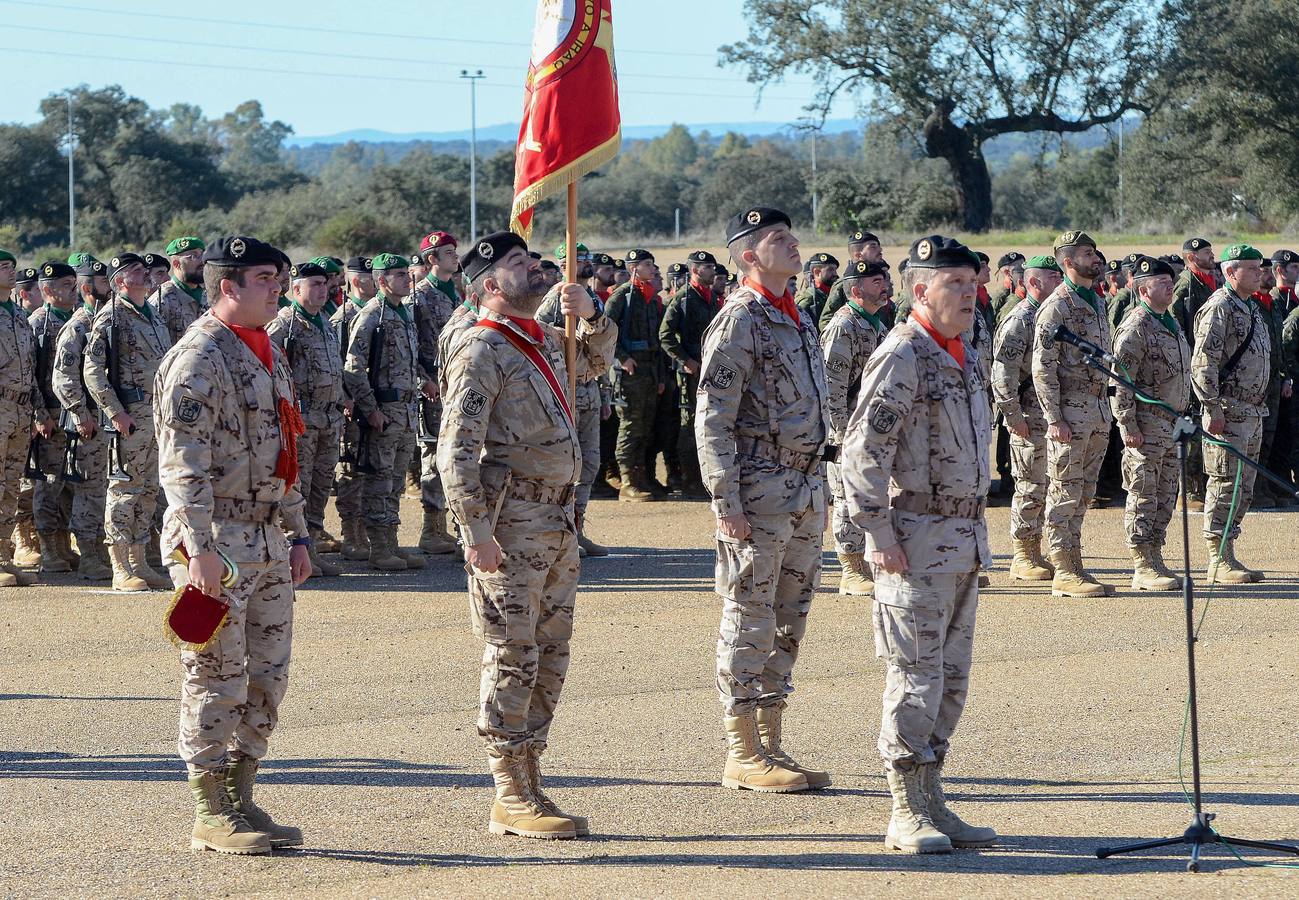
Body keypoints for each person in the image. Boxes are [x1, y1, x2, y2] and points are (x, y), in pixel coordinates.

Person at [438, 231, 615, 840]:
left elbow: (593, 362)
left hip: (555, 520)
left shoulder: (537, 339)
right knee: (512, 653)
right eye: (517, 263)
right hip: (510, 525)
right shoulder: (482, 348)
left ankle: (531, 774)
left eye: (529, 257)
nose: (533, 266)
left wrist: (588, 315)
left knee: (551, 651)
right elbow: (455, 451)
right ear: (489, 285)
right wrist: (475, 529)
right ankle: (508, 789)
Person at [155, 234, 312, 855]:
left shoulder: (264, 351)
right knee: (214, 675)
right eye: (267, 279)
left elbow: (287, 450)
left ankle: (243, 795)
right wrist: (197, 551)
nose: (278, 288)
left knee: (267, 677)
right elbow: (181, 466)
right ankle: (208, 807)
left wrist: (297, 532)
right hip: (216, 539)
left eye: (278, 278)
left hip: (267, 533)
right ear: (229, 286)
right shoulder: (199, 358)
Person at [842, 234, 995, 855]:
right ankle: (904, 807)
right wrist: (876, 534)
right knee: (914, 676)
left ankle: (934, 796)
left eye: (971, 282)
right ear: (918, 288)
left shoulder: (964, 351)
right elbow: (862, 452)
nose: (967, 293)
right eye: (952, 283)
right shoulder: (902, 355)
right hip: (915, 536)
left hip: (963, 537)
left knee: (951, 678)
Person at [697, 207, 830, 794]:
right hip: (758, 486)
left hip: (803, 484)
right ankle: (741, 749)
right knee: (749, 614)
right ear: (748, 254)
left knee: (789, 617)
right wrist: (726, 499)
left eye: (791, 235)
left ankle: (773, 741)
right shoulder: (739, 321)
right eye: (779, 239)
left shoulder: (794, 315)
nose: (794, 244)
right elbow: (713, 419)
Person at [1032, 231, 1115, 597]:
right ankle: (1064, 570)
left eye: (1095, 252)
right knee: (1065, 491)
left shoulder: (1096, 301)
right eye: (1086, 253)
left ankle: (1075, 563)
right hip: (1069, 412)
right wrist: (1053, 418)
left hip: (1097, 411)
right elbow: (1042, 367)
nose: (1095, 258)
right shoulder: (1057, 306)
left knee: (1084, 493)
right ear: (1068, 262)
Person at [84, 253, 174, 591]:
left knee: (149, 489)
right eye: (137, 271)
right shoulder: (113, 317)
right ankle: (120, 565)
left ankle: (140, 561)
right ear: (120, 281)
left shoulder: (153, 315)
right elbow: (92, 370)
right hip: (131, 415)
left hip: (157, 414)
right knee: (124, 489)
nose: (146, 274)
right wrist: (113, 411)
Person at [342, 253, 430, 571]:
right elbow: (353, 368)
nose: (408, 279)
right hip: (385, 410)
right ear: (381, 281)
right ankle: (378, 548)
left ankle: (391, 543)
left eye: (407, 274)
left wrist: (425, 381)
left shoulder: (403, 313)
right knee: (379, 480)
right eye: (399, 275)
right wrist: (370, 409)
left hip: (405, 409)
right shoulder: (371, 316)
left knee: (395, 482)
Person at [1191, 243, 1271, 582]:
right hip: (1228, 410)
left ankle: (1229, 551)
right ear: (1230, 272)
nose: (1259, 273)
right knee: (1225, 483)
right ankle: (1216, 557)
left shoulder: (1250, 307)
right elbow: (1203, 363)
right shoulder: (1220, 308)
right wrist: (1211, 408)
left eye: (1259, 267)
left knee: (1243, 487)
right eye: (1251, 268)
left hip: (1252, 411)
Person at [1110, 256, 1191, 591]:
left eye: (1170, 282)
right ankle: (1142, 564)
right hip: (1146, 424)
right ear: (1143, 289)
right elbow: (1120, 382)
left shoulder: (1169, 322)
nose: (1169, 286)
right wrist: (1127, 425)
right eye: (1161, 282)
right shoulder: (1136, 327)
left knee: (1166, 493)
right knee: (1144, 493)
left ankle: (1156, 555)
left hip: (1171, 424)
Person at [267, 261, 345, 579]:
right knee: (300, 487)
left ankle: (311, 550)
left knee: (321, 488)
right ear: (296, 289)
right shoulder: (284, 324)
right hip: (302, 422)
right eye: (314, 284)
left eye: (324, 283)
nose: (322, 289)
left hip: (328, 419)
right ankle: (295, 550)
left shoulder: (324, 321)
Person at [821, 259, 889, 597]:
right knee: (847, 498)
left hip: (873, 429)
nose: (884, 284)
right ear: (856, 289)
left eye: (884, 279)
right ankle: (850, 570)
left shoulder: (876, 325)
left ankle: (871, 562)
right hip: (847, 429)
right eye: (876, 281)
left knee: (872, 496)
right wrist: (840, 434)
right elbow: (831, 386)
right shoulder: (844, 325)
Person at [991, 255, 1061, 582]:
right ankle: (1023, 554)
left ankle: (1037, 548)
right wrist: (1012, 416)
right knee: (1030, 485)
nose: (1060, 281)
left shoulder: (1056, 314)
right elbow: (1002, 372)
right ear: (1033, 282)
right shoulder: (1021, 319)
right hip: (1028, 415)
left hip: (1052, 414)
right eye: (1052, 277)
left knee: (1048, 485)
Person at [50, 256, 113, 581]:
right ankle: (89, 556)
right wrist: (80, 414)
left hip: (106, 420)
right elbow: (63, 377)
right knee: (89, 489)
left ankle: (101, 552)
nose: (110, 287)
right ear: (89, 288)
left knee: (103, 488)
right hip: (88, 421)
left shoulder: (106, 320)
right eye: (104, 283)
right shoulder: (78, 326)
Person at [409, 231, 462, 555]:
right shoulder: (421, 296)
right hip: (432, 386)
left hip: (456, 382)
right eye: (448, 253)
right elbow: (407, 348)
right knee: (432, 456)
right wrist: (422, 381)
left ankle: (451, 526)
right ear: (432, 259)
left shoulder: (455, 292)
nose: (455, 257)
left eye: (455, 251)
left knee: (457, 455)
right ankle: (432, 527)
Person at [28, 261, 78, 573]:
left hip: (71, 414)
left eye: (74, 285)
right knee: (48, 483)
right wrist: (39, 415)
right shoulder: (38, 323)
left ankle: (63, 542)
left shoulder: (76, 320)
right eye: (65, 286)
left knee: (68, 484)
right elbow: (29, 375)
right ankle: (46, 546)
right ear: (48, 291)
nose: (73, 291)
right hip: (48, 415)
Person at [658, 250, 720, 499]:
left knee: (707, 422)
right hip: (691, 372)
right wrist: (685, 360)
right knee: (689, 424)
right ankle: (688, 480)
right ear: (695, 270)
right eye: (708, 267)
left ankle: (702, 478)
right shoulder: (684, 298)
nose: (713, 271)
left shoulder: (711, 298)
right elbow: (665, 335)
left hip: (709, 367)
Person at [604, 249, 664, 502]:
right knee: (629, 427)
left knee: (645, 427)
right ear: (634, 269)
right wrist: (622, 356)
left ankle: (641, 477)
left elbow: (657, 340)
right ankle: (627, 482)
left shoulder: (649, 297)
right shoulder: (622, 297)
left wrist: (660, 376)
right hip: (629, 371)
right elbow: (604, 330)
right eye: (647, 265)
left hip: (649, 370)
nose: (652, 268)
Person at [0, 249, 42, 587]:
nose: (11, 273)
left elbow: (30, 368)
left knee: (11, 486)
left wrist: (38, 410)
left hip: (20, 408)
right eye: (3, 268)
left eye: (12, 267)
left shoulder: (17, 315)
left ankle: (4, 555)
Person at [332, 256, 376, 561]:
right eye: (372, 277)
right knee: (350, 470)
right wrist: (347, 398)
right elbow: (337, 365)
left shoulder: (379, 312)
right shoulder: (343, 317)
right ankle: (350, 533)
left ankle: (366, 531)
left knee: (370, 470)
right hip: (351, 406)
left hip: (374, 401)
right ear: (359, 280)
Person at [1171, 237, 1216, 510]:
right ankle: (1186, 492)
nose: (1212, 256)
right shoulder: (1187, 286)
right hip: (1190, 368)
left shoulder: (1208, 283)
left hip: (1205, 367)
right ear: (1191, 257)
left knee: (1202, 427)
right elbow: (1178, 325)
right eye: (1206, 253)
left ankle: (1198, 488)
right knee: (1190, 429)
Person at [817, 230, 884, 332]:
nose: (880, 250)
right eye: (873, 246)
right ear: (858, 255)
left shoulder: (882, 281)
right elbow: (826, 320)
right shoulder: (842, 285)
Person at [152, 236, 208, 345]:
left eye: (202, 255)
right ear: (177, 264)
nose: (201, 261)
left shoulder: (209, 295)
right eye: (193, 256)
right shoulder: (162, 300)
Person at [795, 252, 838, 324]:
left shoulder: (831, 295)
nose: (835, 274)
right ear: (817, 272)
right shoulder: (808, 301)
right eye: (830, 270)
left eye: (835, 270)